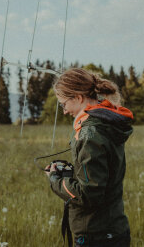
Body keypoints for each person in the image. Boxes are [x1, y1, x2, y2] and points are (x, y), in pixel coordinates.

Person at [45, 67, 134, 247]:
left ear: (78, 98)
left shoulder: (90, 133)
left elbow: (88, 195)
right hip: (113, 229)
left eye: (63, 104)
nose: (64, 111)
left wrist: (56, 180)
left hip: (96, 235)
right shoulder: (105, 122)